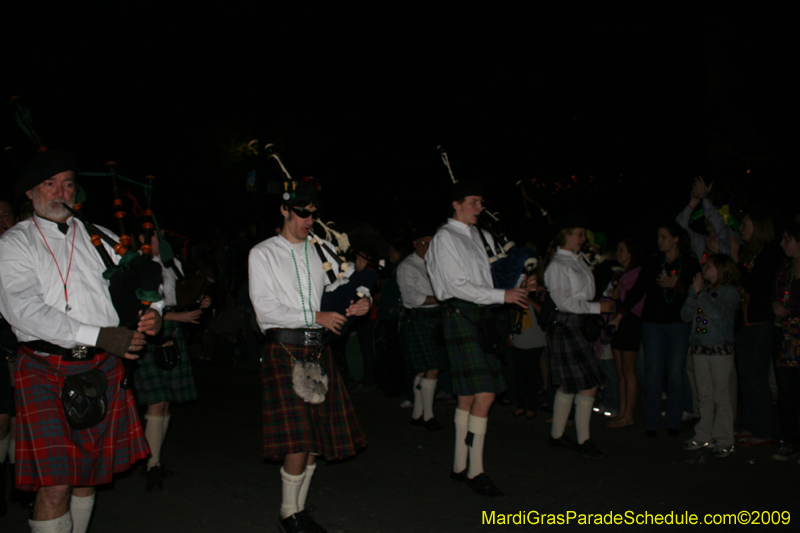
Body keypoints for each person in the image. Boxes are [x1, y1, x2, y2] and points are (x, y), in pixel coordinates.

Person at [0, 151, 161, 533]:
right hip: (44, 367)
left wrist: (152, 312)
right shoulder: (14, 243)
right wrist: (102, 335)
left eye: (68, 183)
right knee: (56, 483)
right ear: (30, 192)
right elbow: (23, 310)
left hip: (101, 365)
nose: (60, 192)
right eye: (49, 184)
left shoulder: (102, 238)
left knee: (88, 476)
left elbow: (142, 285)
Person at [248, 177, 369, 533]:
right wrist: (314, 316)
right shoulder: (263, 253)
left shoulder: (323, 250)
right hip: (285, 347)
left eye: (313, 214)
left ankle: (299, 508)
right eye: (302, 213)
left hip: (318, 349)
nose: (308, 220)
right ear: (285, 209)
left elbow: (350, 281)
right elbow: (265, 312)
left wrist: (364, 300)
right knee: (299, 437)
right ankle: (289, 513)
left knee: (315, 437)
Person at [426, 180, 532, 498]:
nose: (480, 207)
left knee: (469, 397)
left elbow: (495, 273)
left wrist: (521, 280)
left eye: (481, 201)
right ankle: (476, 471)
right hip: (459, 313)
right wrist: (503, 294)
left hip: (483, 315)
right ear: (456, 204)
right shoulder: (444, 239)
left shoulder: (482, 236)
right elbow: (457, 285)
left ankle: (459, 466)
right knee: (485, 394)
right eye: (474, 201)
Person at [134, 231, 211, 491]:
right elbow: (139, 312)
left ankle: (154, 460)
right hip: (153, 334)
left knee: (165, 404)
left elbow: (180, 297)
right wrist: (180, 318)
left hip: (173, 333)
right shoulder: (137, 265)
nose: (160, 240)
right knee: (156, 403)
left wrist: (200, 301)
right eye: (154, 236)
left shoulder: (172, 264)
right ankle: (151, 464)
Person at [620, 223, 700, 438]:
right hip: (653, 324)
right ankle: (652, 423)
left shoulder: (690, 262)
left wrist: (678, 285)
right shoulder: (654, 261)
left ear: (675, 239)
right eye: (658, 237)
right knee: (652, 374)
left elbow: (697, 292)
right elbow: (639, 289)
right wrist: (622, 311)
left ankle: (674, 421)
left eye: (664, 236)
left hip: (678, 325)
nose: (660, 240)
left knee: (675, 374)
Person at [544, 219, 615, 458]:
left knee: (576, 382)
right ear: (566, 235)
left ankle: (558, 436)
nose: (583, 239)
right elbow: (564, 302)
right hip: (566, 323)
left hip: (578, 322)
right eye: (580, 234)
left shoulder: (578, 259)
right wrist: (598, 308)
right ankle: (582, 440)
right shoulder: (557, 265)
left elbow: (589, 291)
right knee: (586, 382)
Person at [730, 209, 783, 446]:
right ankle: (751, 427)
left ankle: (764, 431)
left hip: (760, 324)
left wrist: (736, 262)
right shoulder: (750, 253)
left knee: (756, 379)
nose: (741, 229)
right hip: (744, 324)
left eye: (745, 224)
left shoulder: (770, 254)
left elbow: (755, 286)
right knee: (746, 380)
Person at [680, 254, 740, 457]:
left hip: (720, 350)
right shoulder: (700, 290)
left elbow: (716, 313)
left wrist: (699, 294)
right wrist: (693, 295)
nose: (704, 269)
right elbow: (685, 316)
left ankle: (724, 439)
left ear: (722, 269)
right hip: (699, 349)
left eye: (710, 266)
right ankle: (703, 435)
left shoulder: (730, 292)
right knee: (704, 396)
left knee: (720, 396)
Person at [397, 226, 446, 430]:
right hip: (418, 319)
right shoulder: (407, 266)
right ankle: (428, 416)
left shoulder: (436, 265)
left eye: (430, 243)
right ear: (415, 244)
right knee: (432, 368)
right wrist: (443, 299)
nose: (427, 247)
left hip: (437, 318)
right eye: (423, 243)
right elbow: (412, 298)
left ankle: (418, 414)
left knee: (424, 370)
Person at [606, 239, 645, 428]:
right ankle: (622, 412)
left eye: (621, 250)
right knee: (620, 371)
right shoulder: (621, 274)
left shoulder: (637, 274)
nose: (618, 254)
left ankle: (629, 414)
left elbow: (636, 302)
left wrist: (620, 291)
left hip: (630, 323)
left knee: (629, 371)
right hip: (618, 322)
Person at [771, 223, 800, 461]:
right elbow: (774, 297)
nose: (783, 244)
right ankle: (790, 441)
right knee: (788, 392)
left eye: (787, 239)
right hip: (788, 338)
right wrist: (776, 306)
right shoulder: (785, 271)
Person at [676, 177, 735, 262]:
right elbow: (679, 228)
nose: (708, 220)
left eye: (710, 216)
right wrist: (694, 202)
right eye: (706, 217)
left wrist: (704, 198)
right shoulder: (701, 241)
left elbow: (716, 221)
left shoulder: (728, 237)